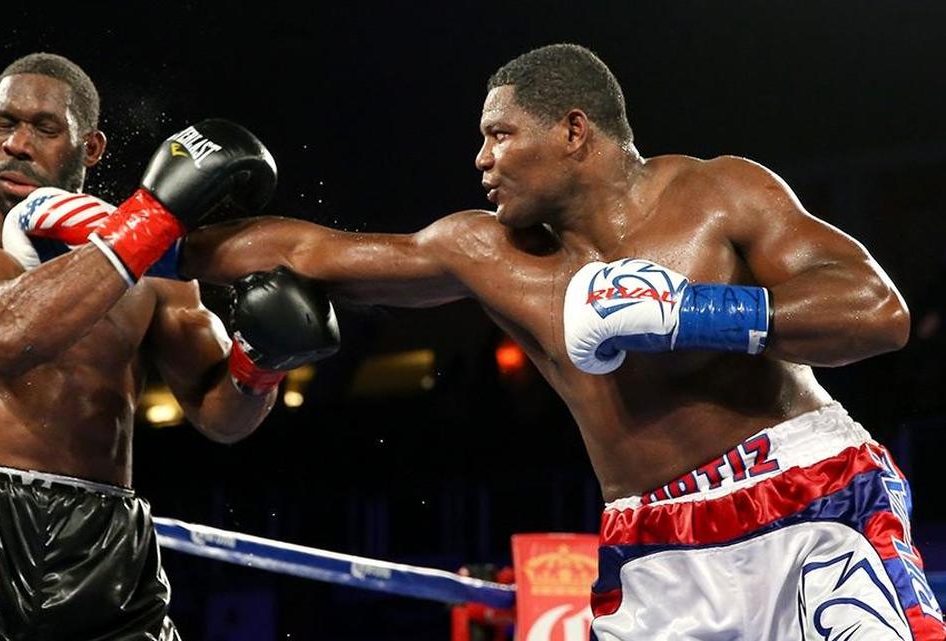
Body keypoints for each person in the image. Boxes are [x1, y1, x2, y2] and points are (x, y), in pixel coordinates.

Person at [180, 44, 945, 639]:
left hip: (809, 500)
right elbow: (312, 253)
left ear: (574, 129)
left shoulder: (718, 195)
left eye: (500, 134)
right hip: (654, 547)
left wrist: (692, 313)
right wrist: (143, 232)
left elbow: (879, 312)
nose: (481, 159)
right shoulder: (486, 252)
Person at [0, 53, 339, 641]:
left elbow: (219, 416)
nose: (16, 145)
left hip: (107, 544)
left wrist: (260, 362)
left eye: (45, 129)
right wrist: (150, 221)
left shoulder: (158, 267)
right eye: (3, 124)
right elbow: (4, 333)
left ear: (92, 148)